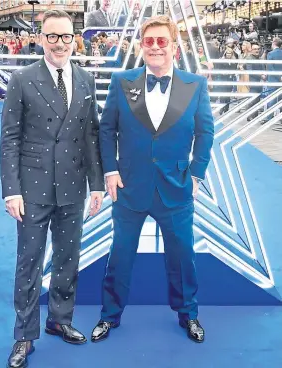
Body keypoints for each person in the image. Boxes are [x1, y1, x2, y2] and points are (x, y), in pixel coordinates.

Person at [93, 15, 214, 344]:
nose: (156, 47)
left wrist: (197, 174)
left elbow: (205, 133)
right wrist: (111, 170)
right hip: (130, 187)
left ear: (174, 46)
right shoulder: (122, 81)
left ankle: (188, 314)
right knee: (120, 255)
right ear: (141, 46)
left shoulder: (195, 85)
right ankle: (109, 316)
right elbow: (107, 130)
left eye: (163, 41)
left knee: (182, 256)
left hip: (176, 188)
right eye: (150, 41)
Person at [0, 9, 104, 368]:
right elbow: (9, 138)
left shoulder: (86, 78)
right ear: (41, 39)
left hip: (73, 186)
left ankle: (60, 319)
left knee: (67, 258)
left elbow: (92, 135)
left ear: (75, 39)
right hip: (32, 188)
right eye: (52, 36)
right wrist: (10, 189)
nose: (59, 43)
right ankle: (24, 336)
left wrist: (97, 184)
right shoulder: (22, 79)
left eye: (66, 36)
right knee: (29, 262)